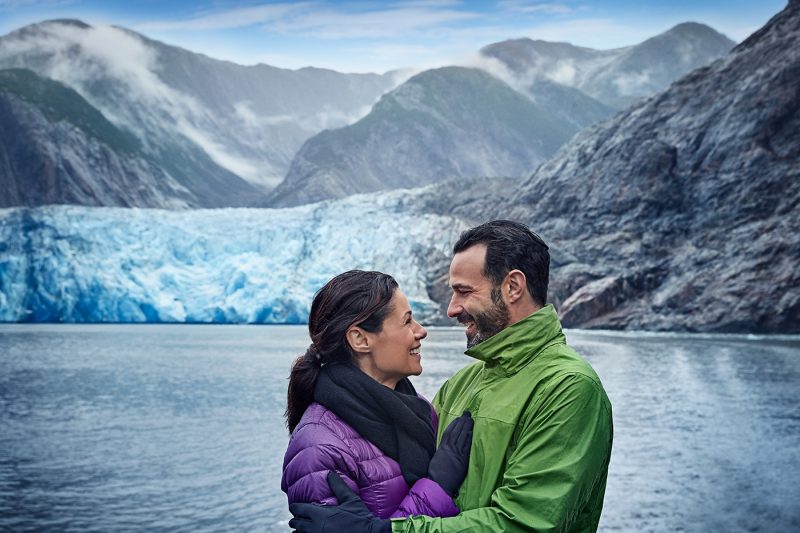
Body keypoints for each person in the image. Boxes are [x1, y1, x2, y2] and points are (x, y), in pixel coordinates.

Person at [289, 221, 613, 532]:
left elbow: (526, 524)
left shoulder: (568, 388)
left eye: (463, 291)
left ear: (513, 286)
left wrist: (386, 532)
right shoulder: (462, 385)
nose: (451, 309)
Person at [282, 270, 474, 521]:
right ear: (360, 339)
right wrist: (437, 486)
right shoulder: (319, 447)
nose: (421, 331)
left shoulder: (417, 408)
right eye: (407, 321)